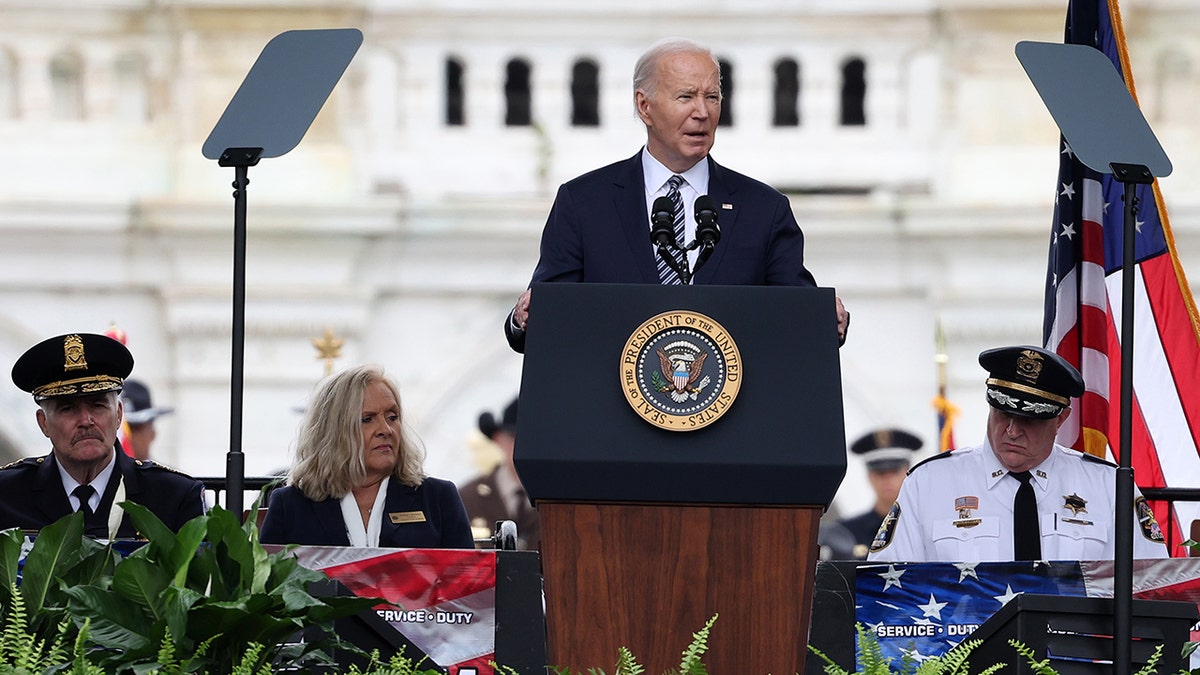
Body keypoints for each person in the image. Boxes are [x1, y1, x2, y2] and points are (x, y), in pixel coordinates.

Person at [504, 37, 849, 353]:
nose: (702, 112)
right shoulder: (583, 203)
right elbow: (547, 312)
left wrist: (826, 321)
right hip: (610, 411)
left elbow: (798, 315)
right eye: (685, 96)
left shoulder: (763, 209)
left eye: (711, 97)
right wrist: (521, 321)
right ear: (645, 106)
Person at [868, 345, 1168, 562]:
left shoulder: (1108, 486)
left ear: (1061, 419)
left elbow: (1153, 589)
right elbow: (887, 594)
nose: (1012, 430)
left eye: (1029, 419)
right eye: (1002, 414)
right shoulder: (929, 483)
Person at [0, 333, 206, 538]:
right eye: (68, 409)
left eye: (97, 405)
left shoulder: (174, 496)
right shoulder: (7, 494)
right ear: (43, 423)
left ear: (118, 414)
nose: (85, 421)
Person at [260, 364, 474, 548]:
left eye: (392, 417)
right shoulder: (291, 505)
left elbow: (467, 589)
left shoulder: (437, 498)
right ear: (334, 430)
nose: (386, 429)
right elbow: (272, 590)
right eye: (367, 419)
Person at [458, 398, 541, 549]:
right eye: (516, 437)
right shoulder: (466, 498)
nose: (525, 446)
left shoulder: (566, 500)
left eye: (536, 438)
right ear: (498, 438)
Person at [830, 428, 923, 559]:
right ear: (869, 476)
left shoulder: (925, 526)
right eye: (880, 473)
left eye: (894, 471)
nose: (887, 480)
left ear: (908, 471)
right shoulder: (846, 533)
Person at [120, 378, 175, 460]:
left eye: (136, 429)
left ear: (152, 434)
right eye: (120, 431)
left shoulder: (162, 473)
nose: (127, 437)